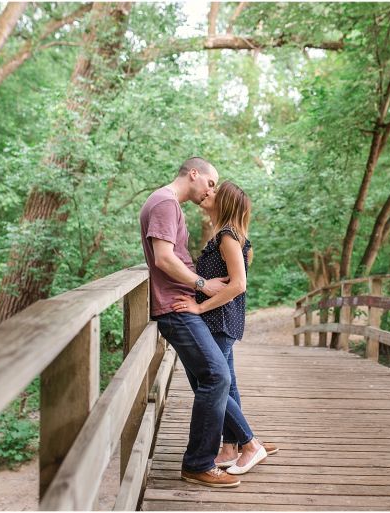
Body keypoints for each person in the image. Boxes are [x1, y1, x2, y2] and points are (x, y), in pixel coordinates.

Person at [139, 157, 240, 488]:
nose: (211, 190)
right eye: (210, 183)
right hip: (175, 306)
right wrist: (202, 284)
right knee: (217, 375)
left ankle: (238, 443)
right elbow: (163, 258)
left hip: (180, 303)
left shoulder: (168, 204)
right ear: (193, 174)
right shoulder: (165, 203)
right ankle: (198, 463)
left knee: (215, 375)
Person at [171, 181, 278, 476]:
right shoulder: (225, 235)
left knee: (208, 383)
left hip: (218, 320)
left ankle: (250, 444)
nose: (209, 192)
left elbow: (238, 285)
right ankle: (231, 447)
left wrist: (199, 307)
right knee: (225, 385)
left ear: (226, 202)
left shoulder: (228, 236)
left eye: (216, 191)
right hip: (221, 320)